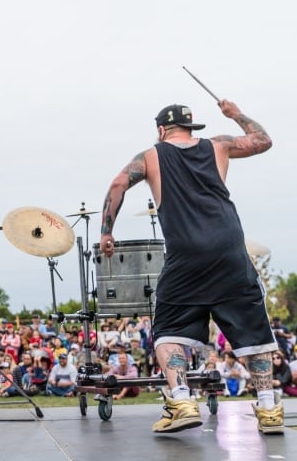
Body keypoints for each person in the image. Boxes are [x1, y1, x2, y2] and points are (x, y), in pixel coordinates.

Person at [100, 100, 280, 434]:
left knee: (168, 329)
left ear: (160, 129)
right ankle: (269, 408)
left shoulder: (151, 156)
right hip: (230, 249)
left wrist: (106, 232)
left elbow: (117, 184)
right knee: (253, 329)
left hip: (187, 255)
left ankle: (182, 400)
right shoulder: (219, 146)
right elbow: (262, 140)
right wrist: (235, 113)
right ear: (191, 127)